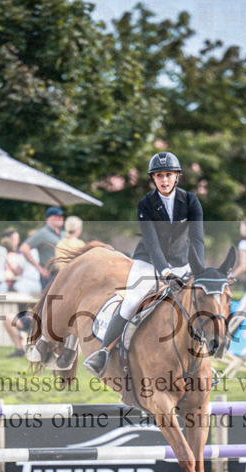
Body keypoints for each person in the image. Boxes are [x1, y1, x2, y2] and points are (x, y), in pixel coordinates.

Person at [83, 151, 204, 377]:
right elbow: (152, 243)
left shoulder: (191, 201)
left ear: (177, 176)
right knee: (131, 301)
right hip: (148, 260)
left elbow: (197, 239)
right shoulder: (146, 204)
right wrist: (165, 272)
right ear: (153, 179)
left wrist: (200, 270)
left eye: (168, 174)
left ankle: (205, 363)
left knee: (198, 303)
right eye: (159, 176)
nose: (164, 180)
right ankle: (103, 352)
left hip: (180, 261)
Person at [20, 206, 65, 289]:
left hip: (62, 275)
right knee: (51, 301)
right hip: (49, 277)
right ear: (50, 218)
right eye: (58, 216)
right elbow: (24, 248)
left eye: (62, 216)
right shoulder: (42, 233)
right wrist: (39, 268)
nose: (61, 218)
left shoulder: (63, 233)